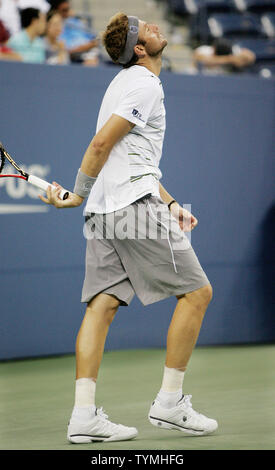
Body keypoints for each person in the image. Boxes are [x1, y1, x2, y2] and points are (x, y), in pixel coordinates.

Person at [40, 12, 218, 443]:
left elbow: (129, 157)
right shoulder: (144, 83)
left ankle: (83, 418)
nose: (156, 27)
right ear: (139, 49)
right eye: (148, 29)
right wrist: (76, 192)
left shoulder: (120, 85)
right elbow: (100, 144)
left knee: (101, 307)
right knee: (197, 293)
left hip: (106, 210)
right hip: (129, 206)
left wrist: (170, 202)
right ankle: (170, 403)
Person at [49, 0, 99, 65]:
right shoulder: (56, 27)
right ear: (56, 10)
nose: (67, 12)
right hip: (74, 57)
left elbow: (94, 40)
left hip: (88, 53)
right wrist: (83, 48)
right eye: (64, 10)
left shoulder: (75, 21)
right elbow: (64, 49)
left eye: (68, 9)